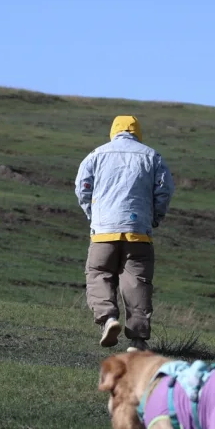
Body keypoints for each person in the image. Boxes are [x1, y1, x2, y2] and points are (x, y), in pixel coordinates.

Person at [75, 114, 175, 349]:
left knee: (98, 273)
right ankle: (138, 341)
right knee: (137, 281)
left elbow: (82, 188)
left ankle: (108, 318)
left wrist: (93, 214)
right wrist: (155, 217)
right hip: (138, 231)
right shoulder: (152, 156)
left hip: (103, 231)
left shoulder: (96, 155)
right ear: (137, 132)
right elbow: (165, 190)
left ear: (113, 131)